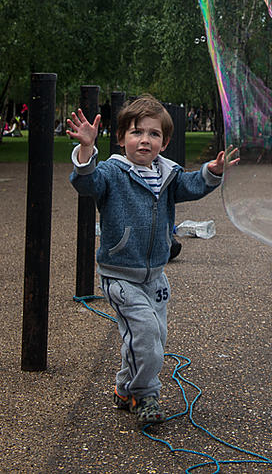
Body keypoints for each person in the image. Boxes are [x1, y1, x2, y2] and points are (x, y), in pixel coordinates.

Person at [67, 94, 238, 426]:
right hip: (120, 275)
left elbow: (192, 185)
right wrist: (86, 149)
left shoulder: (168, 175)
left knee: (152, 338)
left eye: (153, 134)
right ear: (121, 138)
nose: (144, 140)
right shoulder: (112, 173)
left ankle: (123, 388)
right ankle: (145, 394)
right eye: (136, 132)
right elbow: (87, 184)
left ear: (165, 141)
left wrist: (212, 171)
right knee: (145, 335)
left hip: (155, 276)